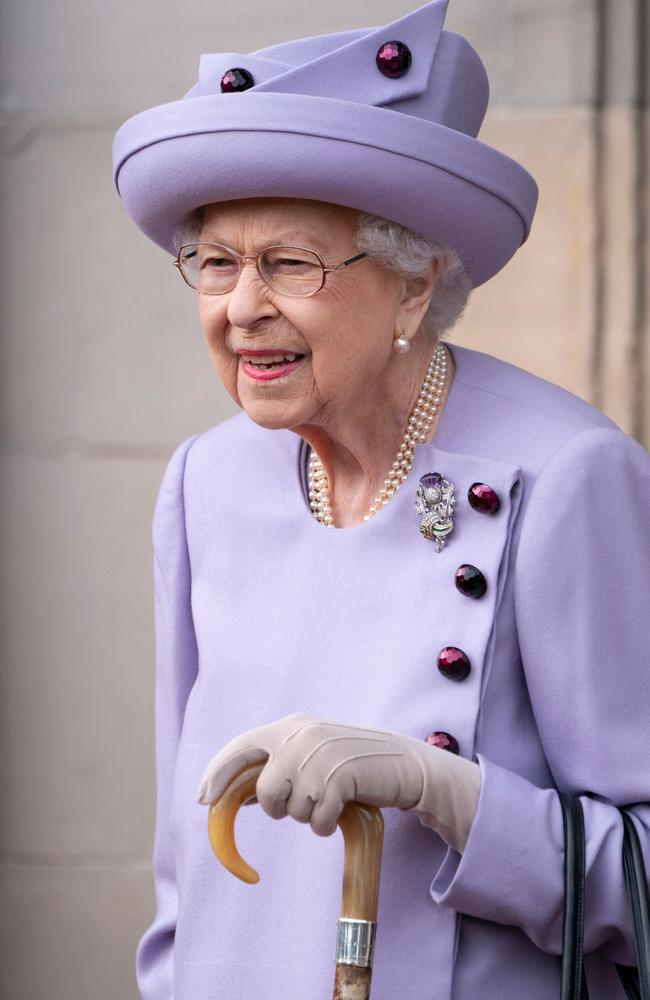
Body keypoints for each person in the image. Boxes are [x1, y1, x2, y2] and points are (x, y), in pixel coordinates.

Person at [112, 1, 650, 997]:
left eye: (289, 263)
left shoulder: (568, 476)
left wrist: (451, 796)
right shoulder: (205, 481)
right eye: (216, 262)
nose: (240, 309)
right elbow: (180, 870)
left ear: (412, 285)